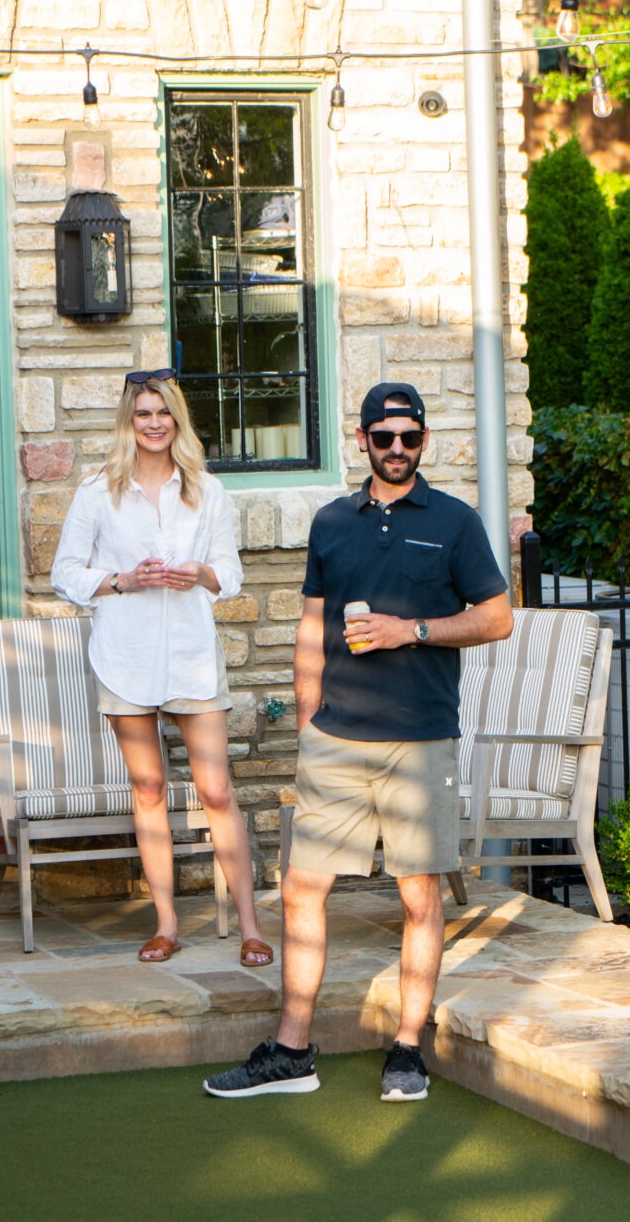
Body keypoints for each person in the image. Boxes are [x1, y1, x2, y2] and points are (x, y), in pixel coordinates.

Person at [204, 382, 512, 1103]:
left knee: (418, 895)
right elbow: (312, 621)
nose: (396, 449)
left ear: (424, 441)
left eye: (409, 437)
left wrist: (417, 631)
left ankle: (407, 1049)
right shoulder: (332, 522)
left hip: (419, 739)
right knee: (303, 889)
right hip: (335, 740)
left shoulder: (456, 522)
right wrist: (308, 710)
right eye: (384, 437)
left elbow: (497, 617)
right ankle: (290, 1051)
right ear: (363, 439)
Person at [51, 369, 273, 968]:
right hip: (124, 657)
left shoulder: (206, 489)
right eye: (142, 413)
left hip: (192, 657)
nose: (153, 423)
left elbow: (229, 572)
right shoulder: (98, 490)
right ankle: (167, 924)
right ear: (129, 421)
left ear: (178, 420)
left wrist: (198, 572)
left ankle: (251, 928)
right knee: (148, 789)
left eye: (163, 413)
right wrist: (122, 581)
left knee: (216, 790)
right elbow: (65, 572)